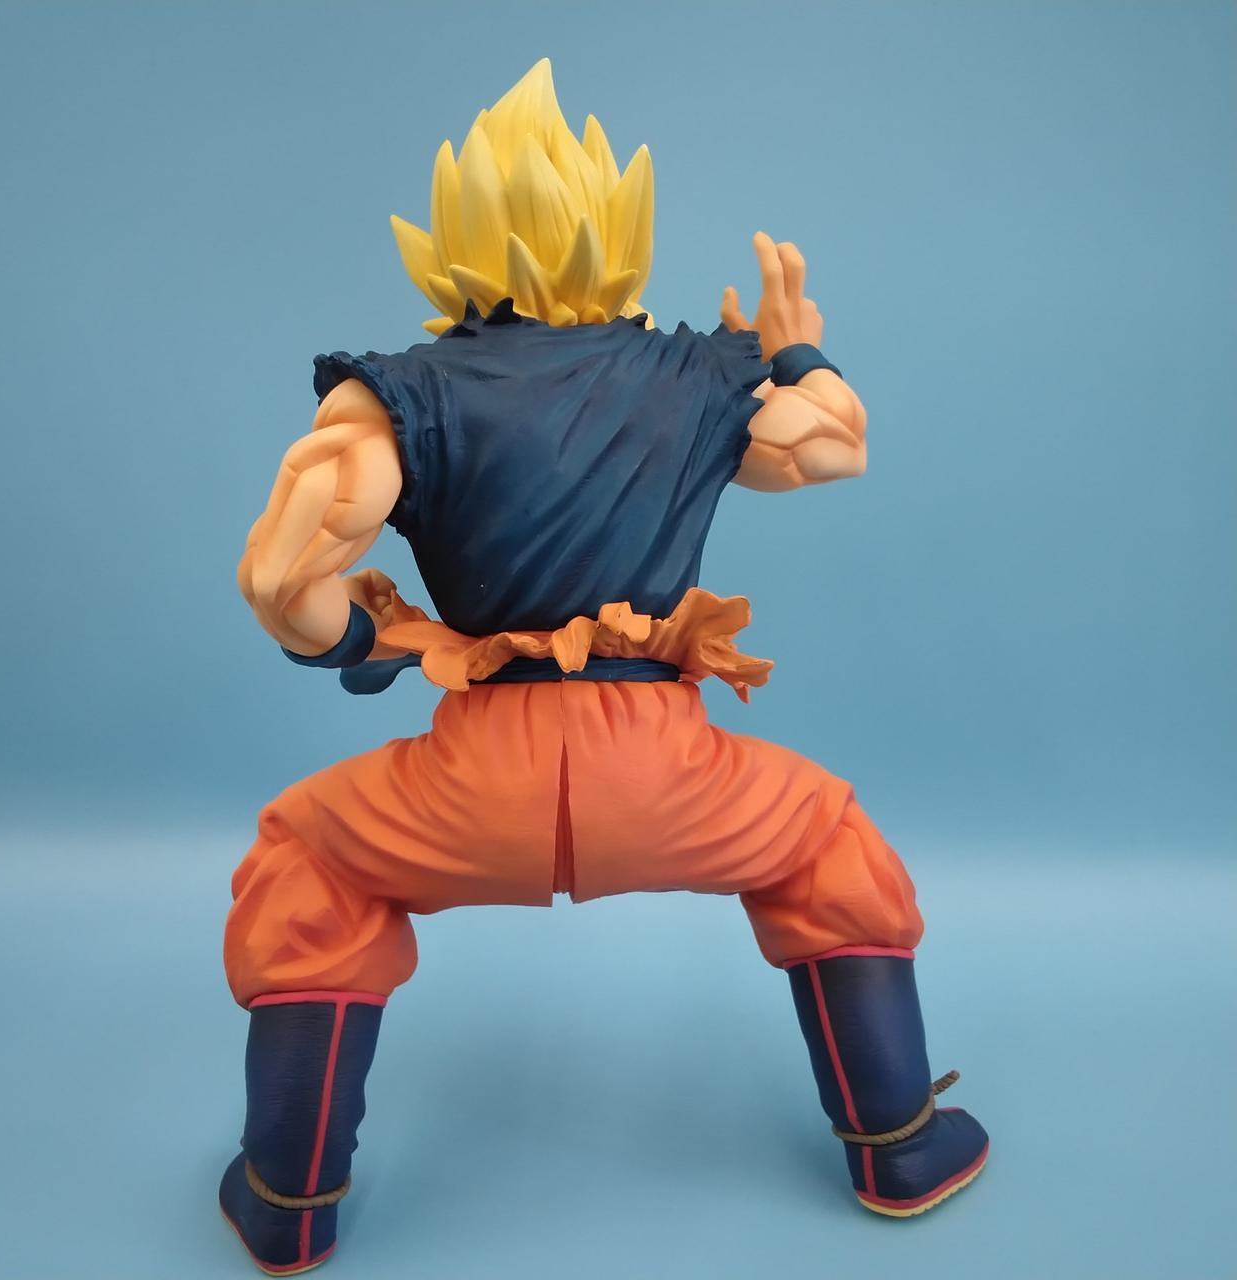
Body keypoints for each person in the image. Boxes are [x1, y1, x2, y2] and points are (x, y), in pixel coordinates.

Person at [220, 59, 988, 1276]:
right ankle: (897, 1144)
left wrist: (362, 637)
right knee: (824, 841)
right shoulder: (700, 373)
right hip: (670, 773)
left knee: (308, 860)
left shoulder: (399, 395)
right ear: (617, 228)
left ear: (450, 239)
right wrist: (791, 353)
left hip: (470, 785)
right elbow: (832, 446)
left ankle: (287, 1200)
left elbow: (279, 579)